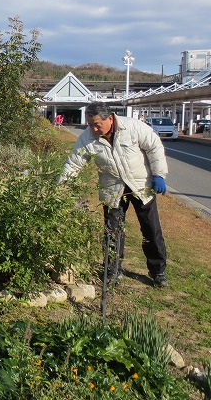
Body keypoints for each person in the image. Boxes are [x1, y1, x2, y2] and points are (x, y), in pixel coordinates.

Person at [60, 101, 170, 288]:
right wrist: (61, 188)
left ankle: (158, 271)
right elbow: (74, 163)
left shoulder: (133, 127)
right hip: (112, 189)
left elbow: (154, 147)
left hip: (141, 186)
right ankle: (113, 269)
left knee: (150, 229)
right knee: (112, 231)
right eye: (90, 124)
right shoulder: (87, 138)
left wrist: (159, 174)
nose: (94, 128)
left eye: (97, 124)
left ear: (110, 118)